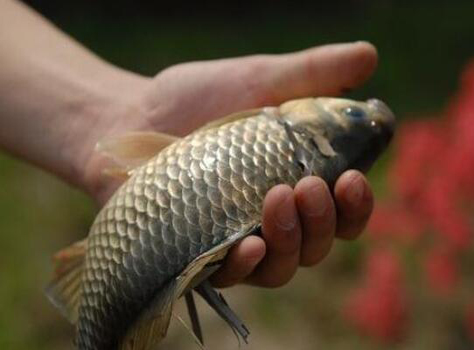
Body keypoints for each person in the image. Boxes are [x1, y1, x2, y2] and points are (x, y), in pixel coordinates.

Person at [0, 0, 377, 289]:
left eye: (356, 117)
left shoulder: (285, 124)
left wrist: (110, 119)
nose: (364, 107)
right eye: (357, 116)